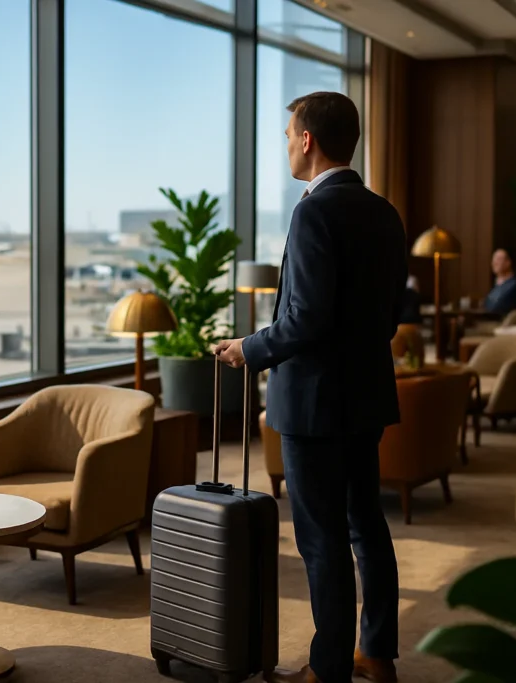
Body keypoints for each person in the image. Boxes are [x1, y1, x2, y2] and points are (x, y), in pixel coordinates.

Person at [214, 91, 405, 683]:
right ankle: (376, 652)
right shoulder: (384, 212)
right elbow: (385, 316)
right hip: (365, 395)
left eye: (287, 133)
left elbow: (307, 319)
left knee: (321, 541)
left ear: (307, 140)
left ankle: (328, 670)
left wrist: (249, 348)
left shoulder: (313, 211)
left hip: (315, 406)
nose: (286, 145)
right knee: (366, 526)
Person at [482, 249, 516, 316]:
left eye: (498, 259)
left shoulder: (514, 285)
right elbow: (486, 305)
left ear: (508, 262)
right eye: (493, 259)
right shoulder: (497, 285)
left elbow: (495, 307)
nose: (494, 263)